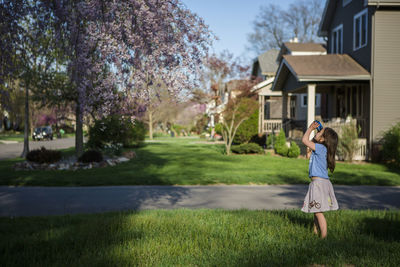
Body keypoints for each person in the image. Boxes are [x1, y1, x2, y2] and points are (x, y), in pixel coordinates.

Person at [301, 121, 339, 239]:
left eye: (319, 132)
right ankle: (316, 232)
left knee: (318, 211)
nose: (317, 133)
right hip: (320, 183)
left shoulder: (320, 148)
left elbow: (304, 140)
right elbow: (308, 152)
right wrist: (315, 135)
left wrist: (310, 128)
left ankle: (324, 237)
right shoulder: (322, 149)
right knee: (315, 209)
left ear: (323, 139)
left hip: (318, 183)